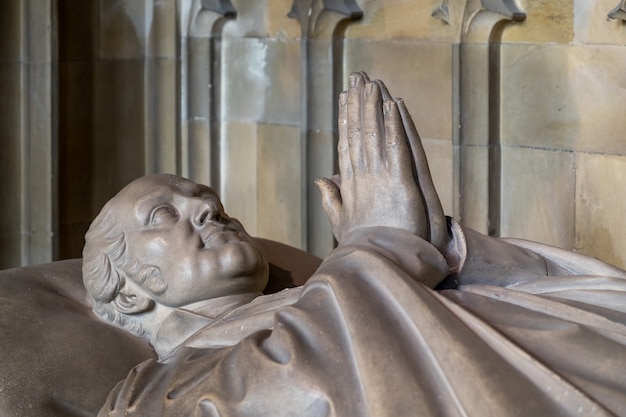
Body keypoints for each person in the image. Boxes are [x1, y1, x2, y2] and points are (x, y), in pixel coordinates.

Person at [85, 73, 626, 416]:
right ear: (131, 293)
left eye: (208, 199)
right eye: (163, 215)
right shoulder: (150, 394)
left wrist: (442, 250)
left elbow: (594, 292)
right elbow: (282, 394)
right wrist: (379, 247)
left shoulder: (337, 285)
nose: (209, 209)